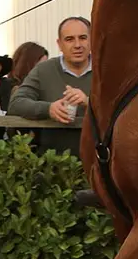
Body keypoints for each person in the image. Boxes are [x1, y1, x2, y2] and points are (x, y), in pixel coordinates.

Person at [9, 17, 92, 157]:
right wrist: (49, 109)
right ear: (59, 44)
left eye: (83, 38)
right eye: (69, 39)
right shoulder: (43, 70)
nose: (77, 45)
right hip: (53, 165)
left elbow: (124, 109)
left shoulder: (106, 70)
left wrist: (88, 102)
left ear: (92, 40)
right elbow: (16, 104)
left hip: (98, 163)